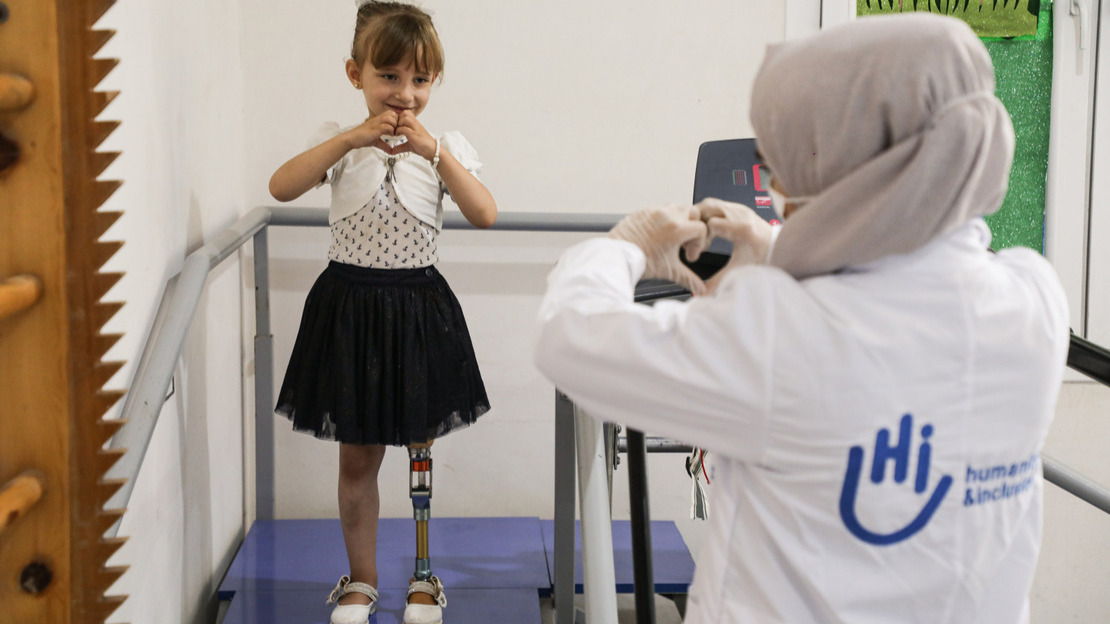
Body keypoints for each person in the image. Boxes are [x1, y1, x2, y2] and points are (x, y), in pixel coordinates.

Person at [534, 13, 1068, 624]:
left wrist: (624, 246)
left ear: (848, 162)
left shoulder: (779, 333)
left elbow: (567, 337)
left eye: (782, 159)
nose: (778, 182)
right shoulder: (1033, 299)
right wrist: (777, 254)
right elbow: (892, 259)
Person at [269, 2, 496, 623]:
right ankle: (362, 580)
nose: (404, 94)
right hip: (350, 313)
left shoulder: (444, 147)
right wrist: (349, 137)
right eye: (389, 77)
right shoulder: (341, 145)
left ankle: (424, 578)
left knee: (418, 449)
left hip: (419, 313)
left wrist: (434, 153)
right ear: (356, 74)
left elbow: (485, 213)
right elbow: (281, 187)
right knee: (357, 456)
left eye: (419, 80)